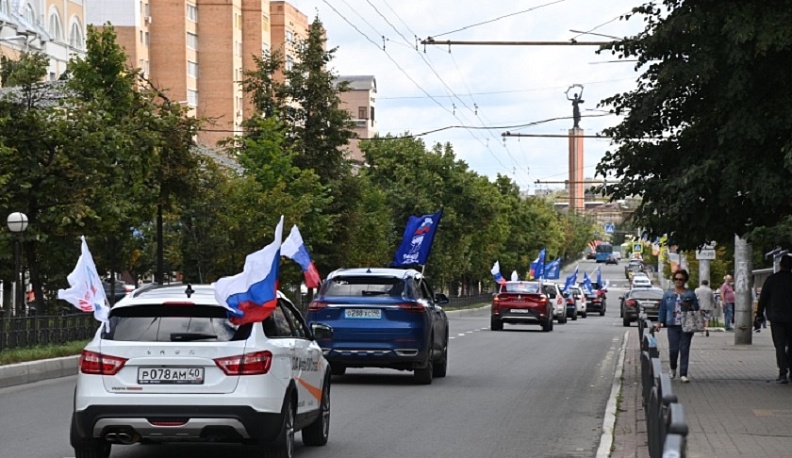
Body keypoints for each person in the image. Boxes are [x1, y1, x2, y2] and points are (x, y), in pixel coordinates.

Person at [655, 269, 700, 383]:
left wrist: (689, 306)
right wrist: (659, 322)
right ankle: (673, 368)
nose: (678, 281)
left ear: (685, 280)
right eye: (676, 279)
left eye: (681, 279)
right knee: (673, 349)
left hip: (686, 325)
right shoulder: (668, 294)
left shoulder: (690, 294)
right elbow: (663, 309)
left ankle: (683, 374)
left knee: (684, 349)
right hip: (672, 324)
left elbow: (696, 309)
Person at [756, 255, 792, 384]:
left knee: (780, 345)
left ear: (781, 265)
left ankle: (783, 373)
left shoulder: (772, 280)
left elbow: (763, 298)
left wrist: (759, 314)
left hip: (776, 317)